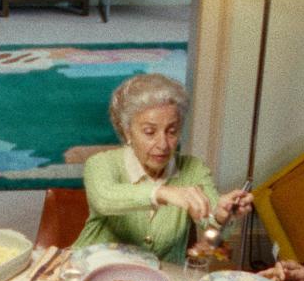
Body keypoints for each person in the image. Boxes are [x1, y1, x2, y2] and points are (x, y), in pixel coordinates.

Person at [73, 73, 253, 264]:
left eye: (172, 131)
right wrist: (161, 193)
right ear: (127, 132)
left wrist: (220, 215)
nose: (163, 144)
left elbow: (212, 233)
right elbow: (105, 199)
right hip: (87, 271)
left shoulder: (194, 169)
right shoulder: (101, 163)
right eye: (150, 132)